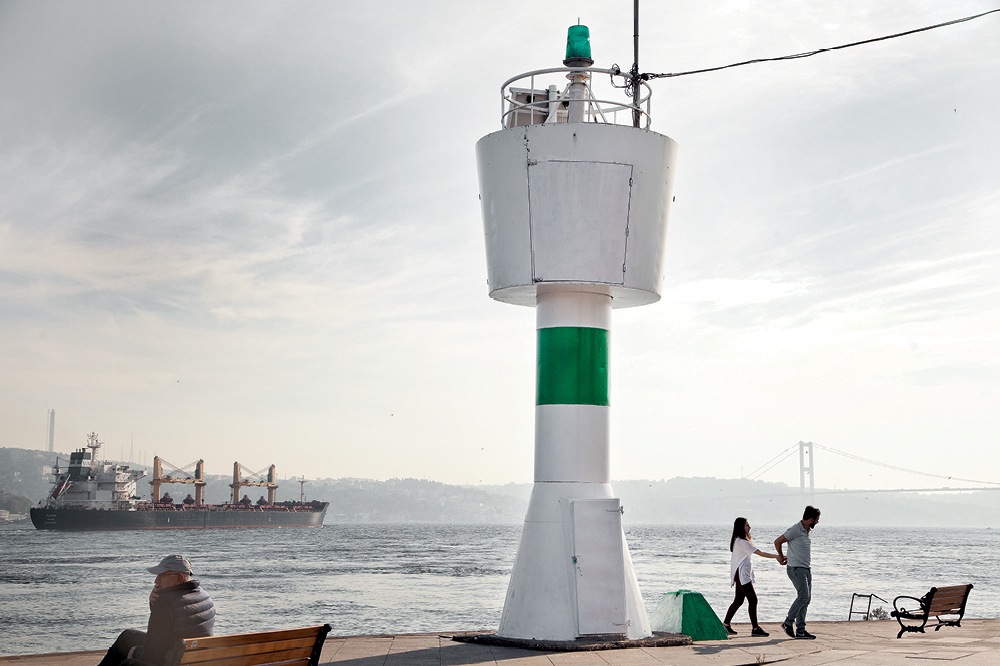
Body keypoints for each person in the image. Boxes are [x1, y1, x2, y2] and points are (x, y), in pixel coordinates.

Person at [98, 554, 216, 666]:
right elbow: (174, 626)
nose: (156, 581)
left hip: (171, 661)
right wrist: (154, 606)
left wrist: (134, 652)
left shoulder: (166, 602)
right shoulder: (205, 596)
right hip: (190, 657)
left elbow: (152, 655)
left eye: (161, 576)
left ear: (179, 577)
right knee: (127, 636)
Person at [722, 517, 785, 637]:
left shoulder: (738, 540)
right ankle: (755, 628)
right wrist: (777, 556)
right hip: (742, 575)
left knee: (739, 600)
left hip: (740, 574)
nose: (749, 527)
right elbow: (760, 553)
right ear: (741, 527)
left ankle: (726, 625)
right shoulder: (742, 542)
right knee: (753, 600)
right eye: (747, 525)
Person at [774, 505, 821, 639]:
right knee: (803, 596)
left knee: (806, 599)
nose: (817, 522)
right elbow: (777, 542)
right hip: (795, 568)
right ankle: (788, 622)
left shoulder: (807, 531)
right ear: (811, 519)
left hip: (806, 568)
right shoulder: (795, 529)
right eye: (817, 520)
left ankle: (800, 630)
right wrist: (781, 556)